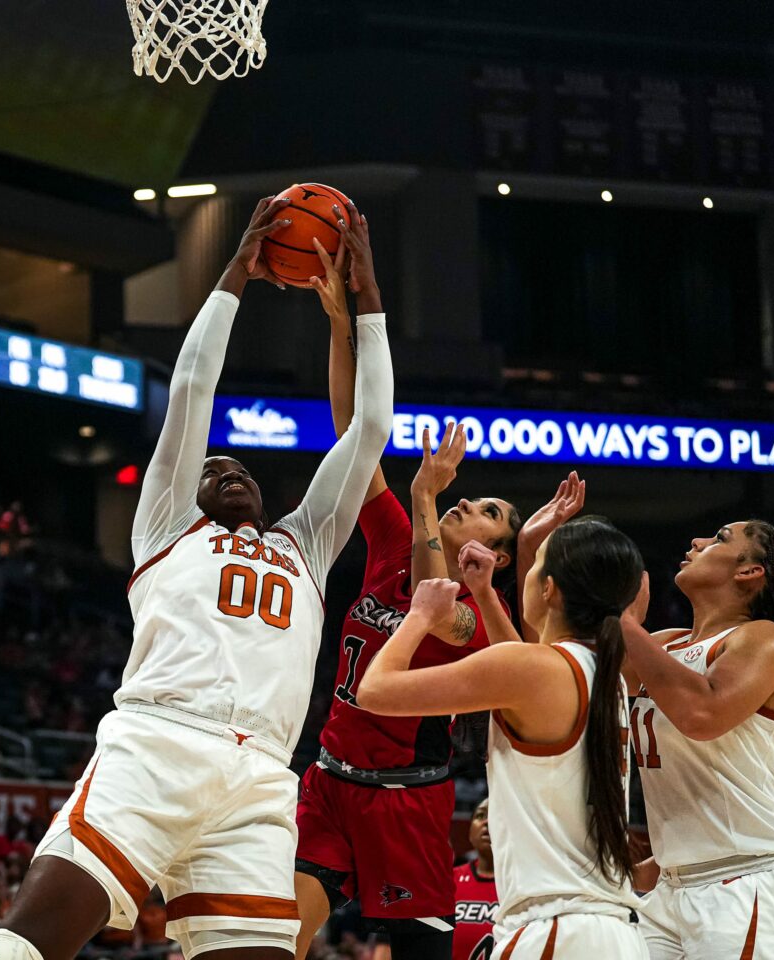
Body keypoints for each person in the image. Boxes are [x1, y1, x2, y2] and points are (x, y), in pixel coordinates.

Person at [0, 195, 392, 960]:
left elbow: (369, 430)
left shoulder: (306, 543)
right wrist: (234, 271)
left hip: (263, 777)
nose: (225, 468)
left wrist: (366, 303)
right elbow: (193, 386)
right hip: (160, 745)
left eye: (239, 469)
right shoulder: (168, 527)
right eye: (211, 467)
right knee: (27, 947)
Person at [294, 237, 586, 960]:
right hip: (330, 778)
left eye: (487, 508)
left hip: (408, 798)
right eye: (469, 498)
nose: (468, 505)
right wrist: (340, 322)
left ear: (503, 549)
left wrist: (426, 494)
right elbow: (354, 438)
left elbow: (436, 608)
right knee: (273, 933)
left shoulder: (489, 621)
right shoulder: (395, 537)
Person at [358, 517, 647, 958]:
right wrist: (485, 595)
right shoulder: (604, 674)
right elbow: (518, 674)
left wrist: (418, 616)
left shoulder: (536, 671)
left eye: (535, 569)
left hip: (555, 929)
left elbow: (375, 692)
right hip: (608, 931)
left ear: (549, 589)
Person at [622, 521, 774, 958]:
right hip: (671, 888)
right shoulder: (664, 645)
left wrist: (623, 621)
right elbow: (562, 668)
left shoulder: (763, 639)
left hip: (748, 884)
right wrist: (536, 548)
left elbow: (702, 715)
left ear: (749, 572)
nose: (697, 542)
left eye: (720, 539)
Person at [452, 800, 497, 960]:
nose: (487, 821)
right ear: (470, 831)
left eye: (495, 814)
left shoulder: (528, 885)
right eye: (480, 815)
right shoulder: (448, 881)